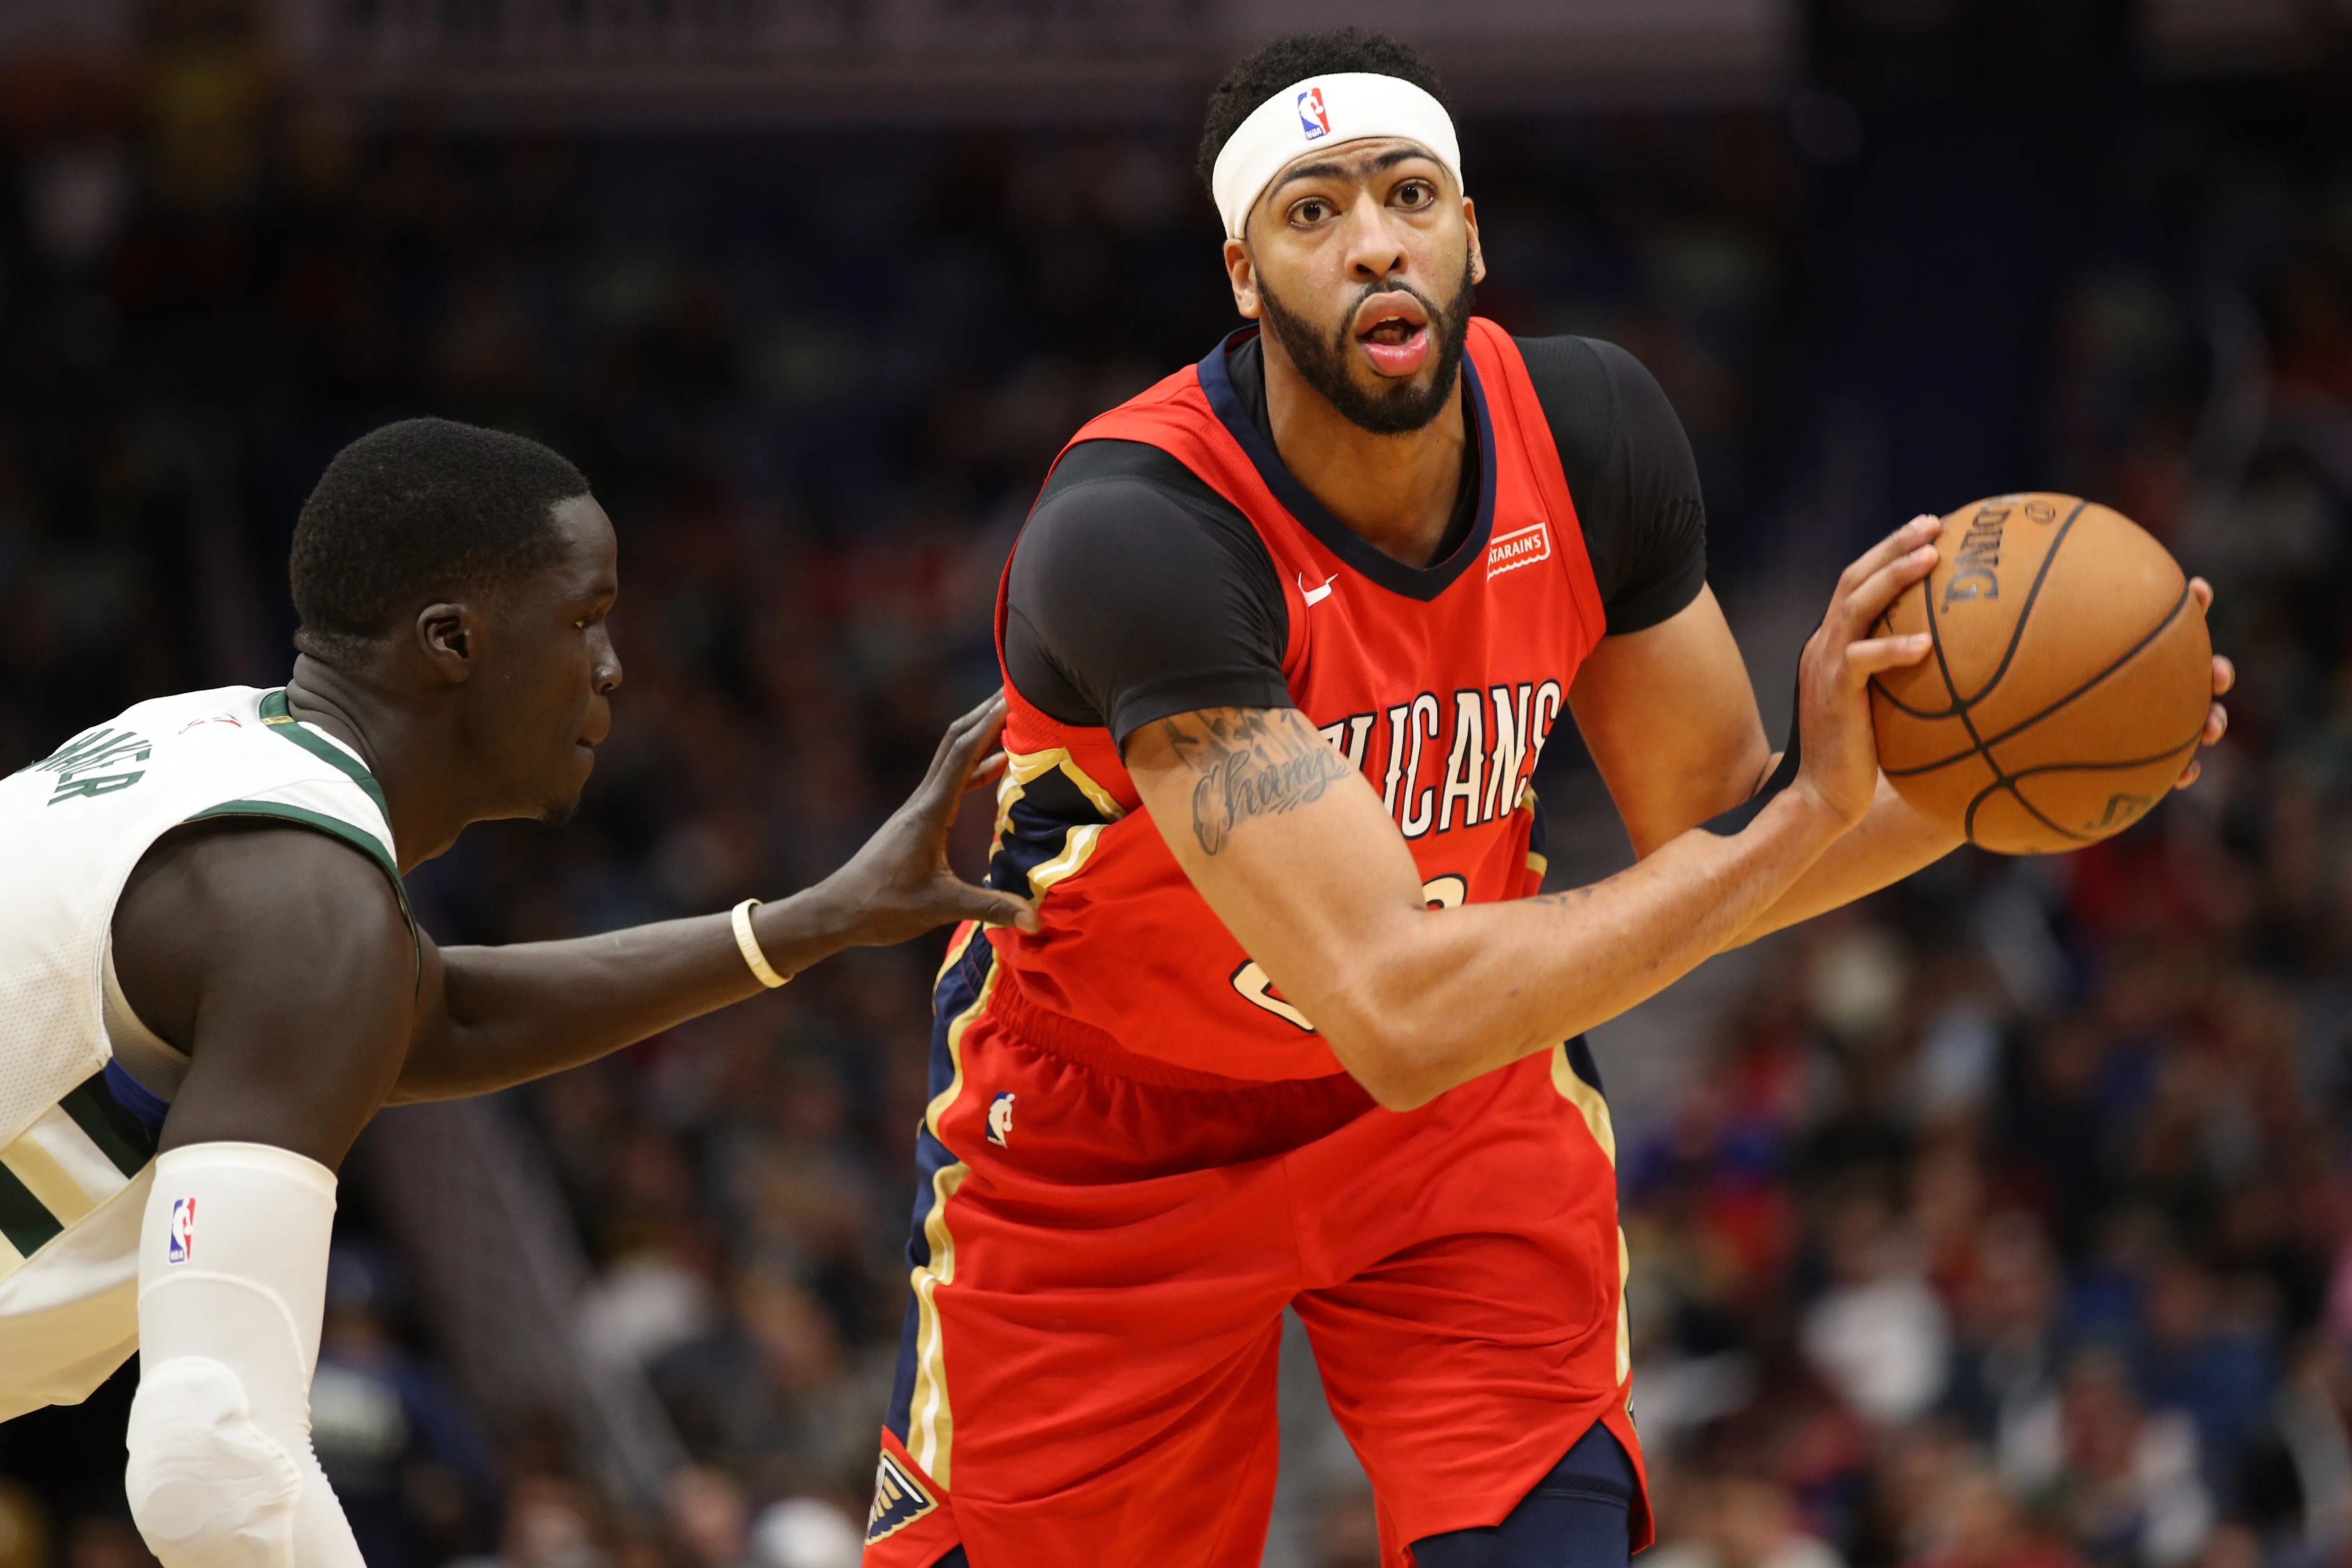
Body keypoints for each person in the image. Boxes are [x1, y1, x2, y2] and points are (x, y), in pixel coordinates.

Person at [858, 27, 2235, 1568]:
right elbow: (1396, 1005)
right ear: (1242, 274)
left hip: (1460, 1116)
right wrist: (1809, 814)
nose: (1372, 236)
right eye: (1312, 213)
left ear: (1470, 233)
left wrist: (2003, 789)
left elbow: (1713, 842)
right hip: (1112, 1142)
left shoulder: (1589, 436)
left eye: (1407, 191)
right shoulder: (1140, 532)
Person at [0, 416, 1036, 1567]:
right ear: (451, 641)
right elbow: (211, 1457)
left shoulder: (205, 747)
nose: (612, 666)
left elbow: (436, 1015)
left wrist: (808, 922)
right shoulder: (304, 910)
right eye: (584, 618)